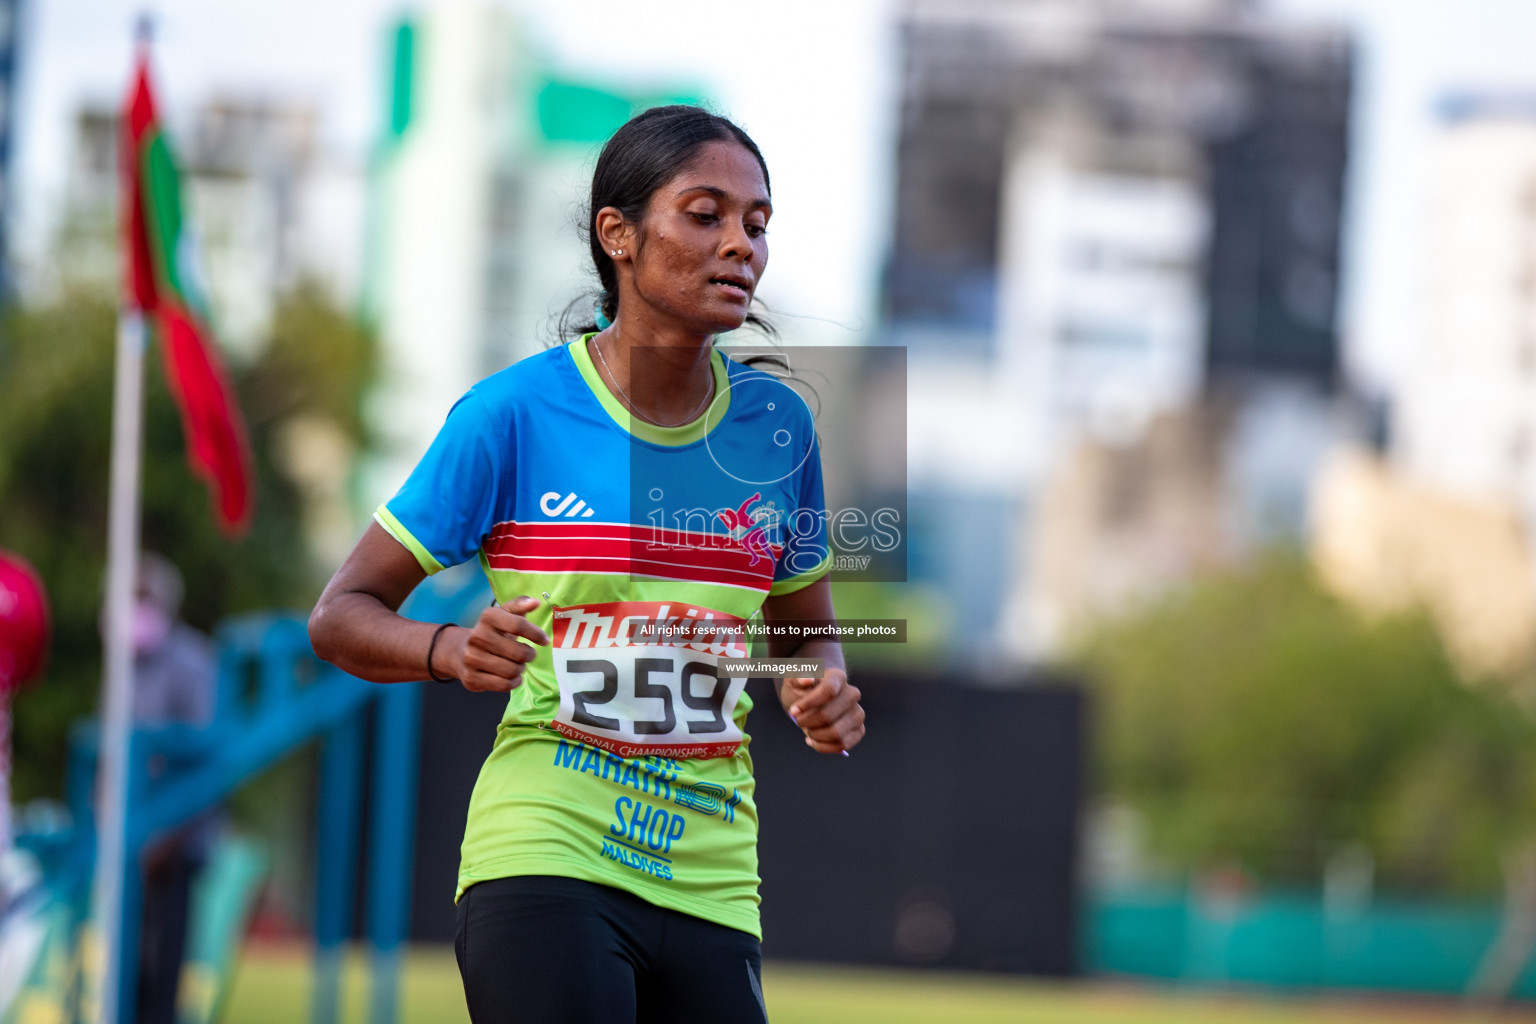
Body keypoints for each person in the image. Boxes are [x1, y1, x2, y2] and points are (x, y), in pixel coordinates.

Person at [309, 105, 865, 1023]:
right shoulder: (512, 415)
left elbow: (808, 642)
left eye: (756, 224)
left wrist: (823, 690)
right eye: (705, 214)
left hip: (713, 874)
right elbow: (342, 613)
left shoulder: (780, 430)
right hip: (546, 851)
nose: (741, 245)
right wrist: (448, 649)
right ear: (620, 236)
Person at [125, 552, 218, 1024]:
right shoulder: (123, 666)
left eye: (141, 596)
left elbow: (203, 761)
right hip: (128, 846)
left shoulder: (190, 661)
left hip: (174, 848)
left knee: (163, 976)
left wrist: (166, 836)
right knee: (125, 973)